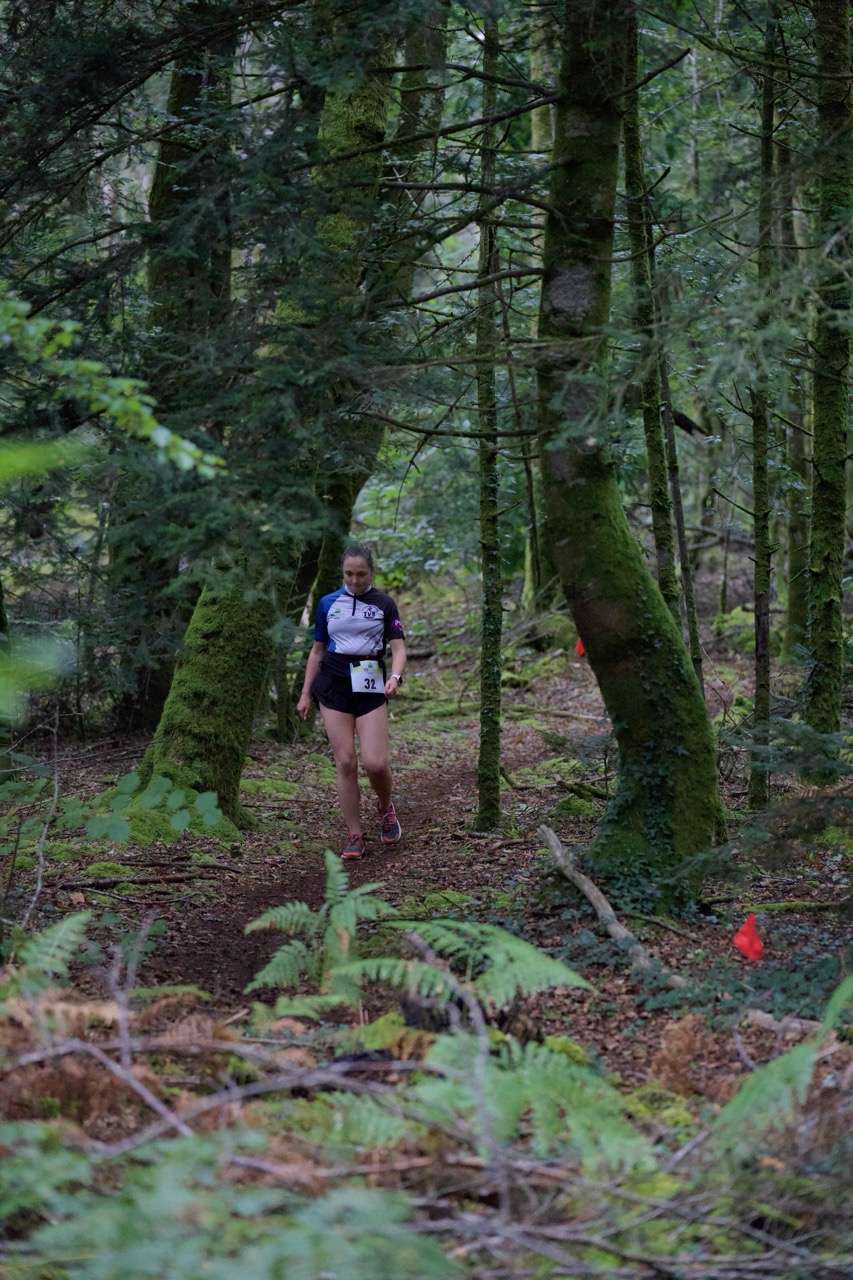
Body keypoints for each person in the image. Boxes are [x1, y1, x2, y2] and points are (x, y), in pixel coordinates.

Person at [297, 543, 407, 859]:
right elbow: (317, 650)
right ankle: (354, 834)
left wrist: (395, 677)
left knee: (375, 763)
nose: (355, 580)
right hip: (333, 681)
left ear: (371, 572)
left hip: (369, 680)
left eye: (361, 574)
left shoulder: (384, 603)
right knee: (345, 762)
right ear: (342, 573)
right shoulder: (328, 603)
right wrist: (305, 693)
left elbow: (398, 648)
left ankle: (385, 807)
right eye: (349, 574)